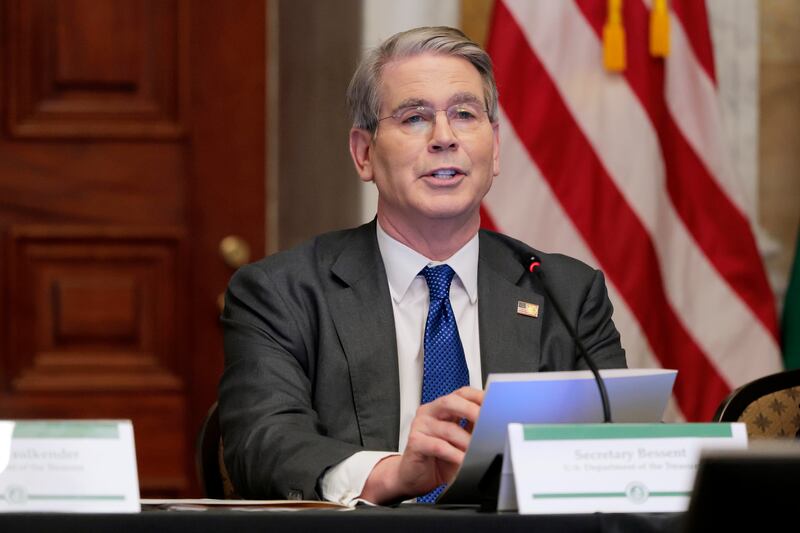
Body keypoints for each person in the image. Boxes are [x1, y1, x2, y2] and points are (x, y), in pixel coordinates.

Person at [218, 26, 626, 506]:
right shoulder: (281, 293)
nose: (444, 138)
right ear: (364, 153)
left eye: (464, 114)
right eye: (415, 118)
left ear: (495, 148)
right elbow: (262, 441)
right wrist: (392, 474)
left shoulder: (566, 293)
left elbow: (618, 443)